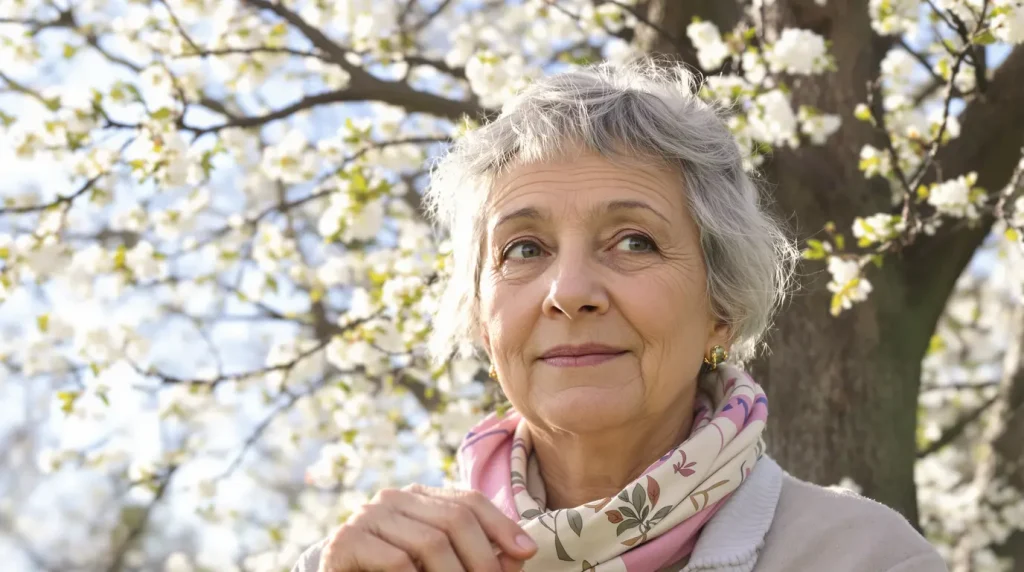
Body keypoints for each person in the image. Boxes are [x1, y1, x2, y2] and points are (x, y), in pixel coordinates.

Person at [293, 59, 946, 572]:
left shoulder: (863, 558)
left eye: (634, 241)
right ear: (480, 319)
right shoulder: (372, 565)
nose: (570, 291)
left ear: (722, 308)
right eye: (523, 249)